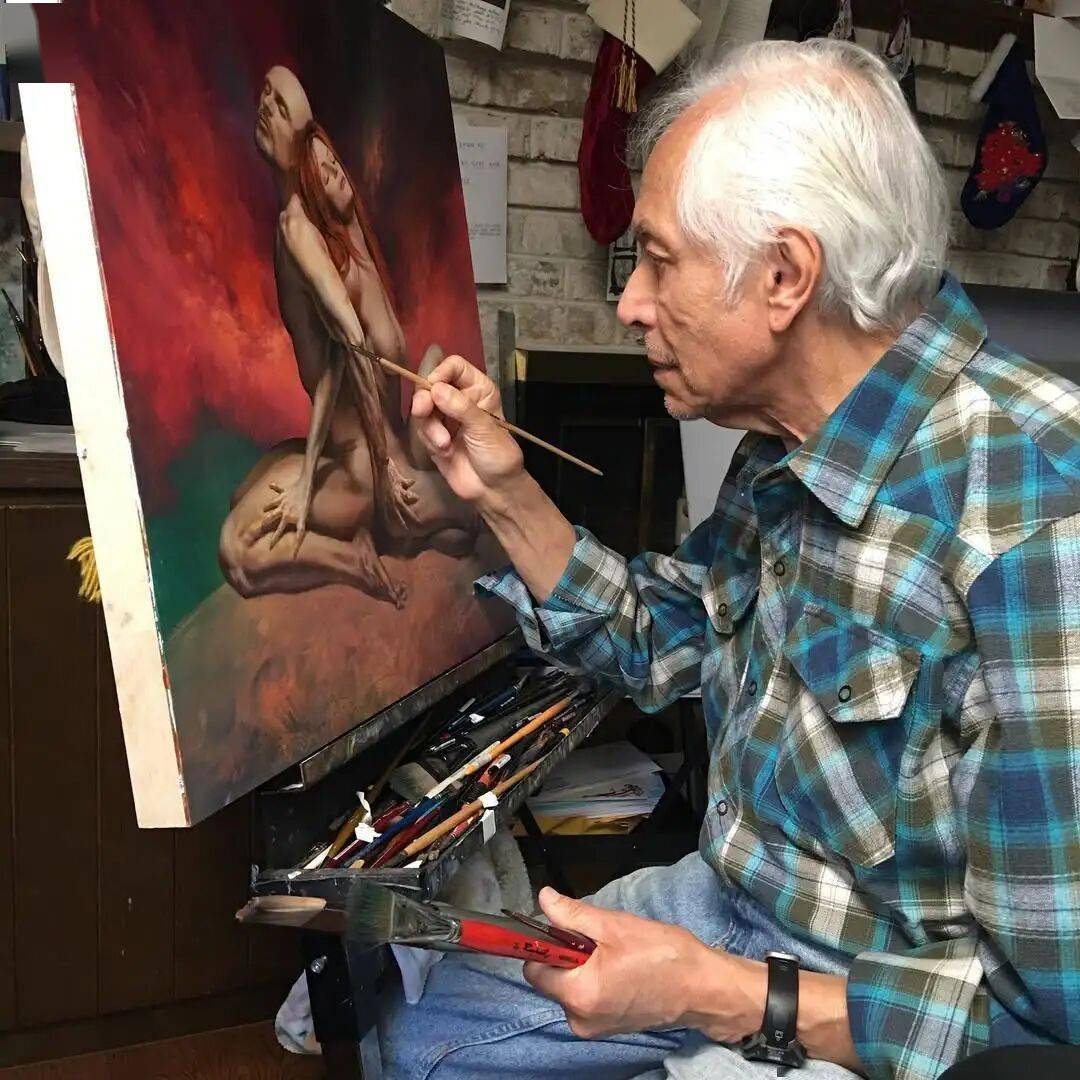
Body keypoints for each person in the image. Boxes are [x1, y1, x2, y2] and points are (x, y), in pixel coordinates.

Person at [380, 38, 1080, 1080]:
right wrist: (501, 490)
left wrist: (711, 992)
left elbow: (1051, 1022)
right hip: (734, 901)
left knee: (432, 1051)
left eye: (659, 260)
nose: (630, 303)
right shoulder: (787, 444)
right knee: (411, 1023)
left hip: (874, 992)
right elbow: (660, 641)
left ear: (785, 277)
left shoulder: (1037, 522)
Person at [220, 67, 476, 606]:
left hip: (363, 467)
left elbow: (353, 348)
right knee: (239, 493)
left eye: (281, 106)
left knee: (236, 551)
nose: (265, 106)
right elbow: (341, 359)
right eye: (265, 95)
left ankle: (357, 558)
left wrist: (377, 466)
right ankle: (404, 524)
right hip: (362, 451)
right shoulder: (344, 243)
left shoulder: (302, 231)